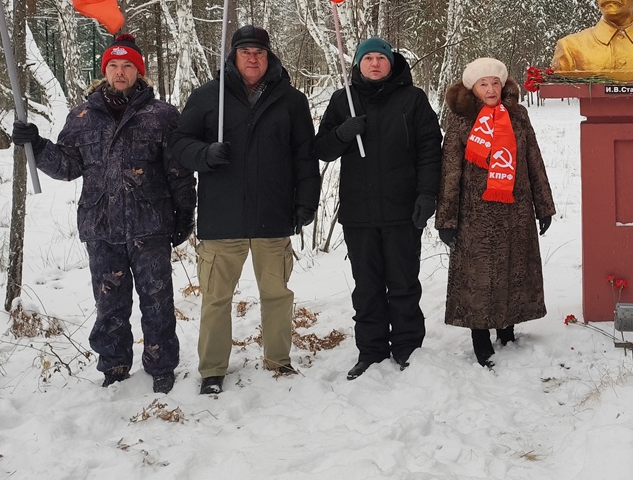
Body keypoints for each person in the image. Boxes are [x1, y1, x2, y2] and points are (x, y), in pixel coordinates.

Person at [11, 33, 195, 393]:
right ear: (104, 70)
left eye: (128, 65)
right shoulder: (81, 117)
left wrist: (185, 213)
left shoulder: (161, 116)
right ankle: (114, 368)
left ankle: (161, 366)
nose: (120, 71)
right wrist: (38, 144)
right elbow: (67, 166)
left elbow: (179, 171)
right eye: (114, 65)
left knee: (157, 301)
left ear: (139, 72)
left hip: (150, 226)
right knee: (110, 304)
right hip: (101, 227)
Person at [168, 25, 320, 395]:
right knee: (216, 299)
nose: (253, 58)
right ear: (233, 56)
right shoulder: (209, 97)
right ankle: (213, 369)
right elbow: (178, 143)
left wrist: (305, 201)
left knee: (277, 294)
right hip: (223, 218)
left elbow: (305, 156)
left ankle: (278, 359)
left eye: (260, 52)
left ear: (269, 57)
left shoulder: (291, 100)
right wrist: (204, 154)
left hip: (273, 214)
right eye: (246, 51)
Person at [314, 37, 442, 379]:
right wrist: (343, 132)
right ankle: (370, 351)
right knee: (367, 286)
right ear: (358, 64)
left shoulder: (412, 100)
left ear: (391, 63)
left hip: (403, 209)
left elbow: (431, 148)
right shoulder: (345, 100)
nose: (374, 64)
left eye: (380, 58)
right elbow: (322, 148)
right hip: (360, 213)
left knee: (403, 284)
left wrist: (427, 194)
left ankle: (407, 348)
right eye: (367, 58)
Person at [436, 58, 555, 368]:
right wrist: (446, 220)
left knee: (515, 270)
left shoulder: (518, 118)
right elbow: (450, 173)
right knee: (479, 277)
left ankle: (507, 328)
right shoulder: (461, 123)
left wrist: (544, 206)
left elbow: (534, 162)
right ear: (473, 89)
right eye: (483, 84)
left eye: (495, 83)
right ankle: (479, 335)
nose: (490, 89)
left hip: (516, 211)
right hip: (475, 215)